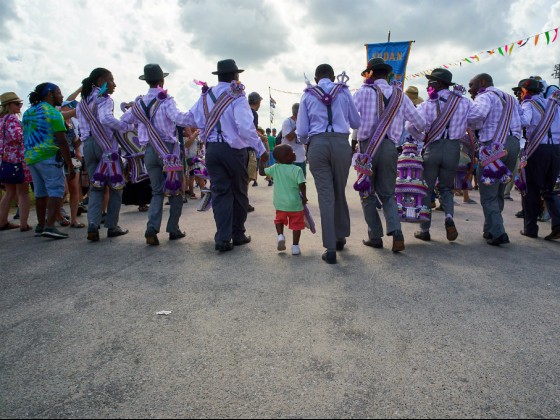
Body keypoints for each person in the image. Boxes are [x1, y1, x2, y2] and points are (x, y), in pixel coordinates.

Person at [187, 59, 268, 252]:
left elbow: (188, 118)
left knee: (221, 193)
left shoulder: (206, 96)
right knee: (239, 192)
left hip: (212, 150)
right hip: (233, 150)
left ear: (219, 75)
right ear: (235, 76)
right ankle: (237, 234)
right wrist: (261, 149)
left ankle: (223, 238)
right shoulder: (237, 95)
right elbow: (245, 128)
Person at [353, 58, 425, 253]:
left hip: (367, 149)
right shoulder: (401, 96)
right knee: (387, 193)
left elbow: (349, 117)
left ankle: (375, 236)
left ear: (370, 74)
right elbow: (420, 122)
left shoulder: (363, 92)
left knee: (367, 193)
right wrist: (417, 137)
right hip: (390, 147)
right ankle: (397, 233)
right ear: (388, 75)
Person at [120, 64, 194, 245]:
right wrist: (198, 117)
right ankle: (173, 229)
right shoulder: (166, 100)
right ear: (162, 81)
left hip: (150, 151)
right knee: (175, 190)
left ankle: (151, 228)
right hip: (168, 151)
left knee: (156, 192)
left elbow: (123, 121)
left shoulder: (139, 104)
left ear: (146, 81)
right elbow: (179, 118)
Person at [296, 63, 361, 264]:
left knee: (326, 195)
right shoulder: (343, 91)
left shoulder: (307, 95)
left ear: (316, 79)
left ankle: (330, 248)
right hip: (341, 144)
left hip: (318, 144)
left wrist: (312, 143)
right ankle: (340, 236)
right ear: (333, 77)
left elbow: (302, 132)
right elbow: (356, 123)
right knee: (339, 191)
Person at [406, 68, 471, 242]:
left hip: (433, 148)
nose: (429, 84)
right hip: (452, 148)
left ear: (439, 83)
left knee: (426, 189)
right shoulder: (463, 103)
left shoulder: (427, 104)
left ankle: (424, 230)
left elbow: (410, 126)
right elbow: (474, 120)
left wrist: (422, 137)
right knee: (446, 188)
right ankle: (449, 217)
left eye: (431, 81)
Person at [467, 73, 522, 246]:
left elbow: (476, 116)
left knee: (488, 193)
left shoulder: (484, 96)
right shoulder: (511, 98)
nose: (470, 89)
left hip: (494, 146)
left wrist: (467, 122)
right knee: (498, 191)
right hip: (513, 144)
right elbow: (524, 119)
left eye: (472, 84)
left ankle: (498, 232)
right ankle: (489, 229)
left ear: (482, 82)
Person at [77, 68, 131, 242]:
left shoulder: (82, 101)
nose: (114, 84)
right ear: (101, 81)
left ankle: (93, 225)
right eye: (111, 80)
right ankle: (112, 226)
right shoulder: (104, 99)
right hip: (105, 147)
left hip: (89, 146)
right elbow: (106, 119)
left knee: (96, 186)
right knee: (115, 187)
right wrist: (126, 127)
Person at [22, 83, 75, 239]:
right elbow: (62, 140)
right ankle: (50, 226)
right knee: (56, 190)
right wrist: (70, 164)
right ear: (50, 94)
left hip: (31, 156)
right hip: (48, 155)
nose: (62, 96)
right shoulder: (53, 113)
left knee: (40, 192)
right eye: (59, 93)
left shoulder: (28, 112)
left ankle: (41, 225)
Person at [518, 78, 560, 241]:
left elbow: (524, 121)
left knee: (530, 190)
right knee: (549, 190)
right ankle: (557, 224)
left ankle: (530, 228)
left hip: (537, 150)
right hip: (555, 149)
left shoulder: (528, 104)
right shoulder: (554, 105)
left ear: (524, 91)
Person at [260, 144, 307, 255]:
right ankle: (295, 247)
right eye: (292, 152)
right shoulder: (297, 169)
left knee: (279, 220)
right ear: (286, 157)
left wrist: (261, 161)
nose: (294, 153)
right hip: (295, 204)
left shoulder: (275, 168)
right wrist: (304, 197)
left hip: (280, 203)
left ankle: (280, 235)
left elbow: (262, 172)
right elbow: (302, 185)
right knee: (296, 225)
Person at [0, 92, 32, 232]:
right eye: (17, 104)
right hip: (18, 159)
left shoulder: (1, 120)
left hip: (6, 159)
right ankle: (24, 224)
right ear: (9, 105)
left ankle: (2, 221)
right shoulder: (12, 119)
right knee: (23, 192)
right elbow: (17, 137)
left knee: (9, 192)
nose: (20, 106)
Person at [60, 100, 85, 228]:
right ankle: (56, 214)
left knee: (74, 189)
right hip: (59, 158)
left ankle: (74, 219)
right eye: (68, 106)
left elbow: (75, 143)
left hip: (72, 157)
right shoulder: (58, 120)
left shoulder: (72, 124)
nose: (71, 108)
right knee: (63, 191)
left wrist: (82, 136)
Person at [282, 103, 307, 178]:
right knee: (291, 184)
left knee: (301, 183)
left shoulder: (303, 123)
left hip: (301, 158)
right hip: (290, 159)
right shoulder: (287, 122)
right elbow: (289, 137)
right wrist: (297, 126)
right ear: (298, 113)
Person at [248, 91, 262, 189]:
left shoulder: (244, 111)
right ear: (257, 102)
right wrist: (263, 138)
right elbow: (253, 131)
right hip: (249, 149)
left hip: (239, 147)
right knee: (249, 176)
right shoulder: (253, 113)